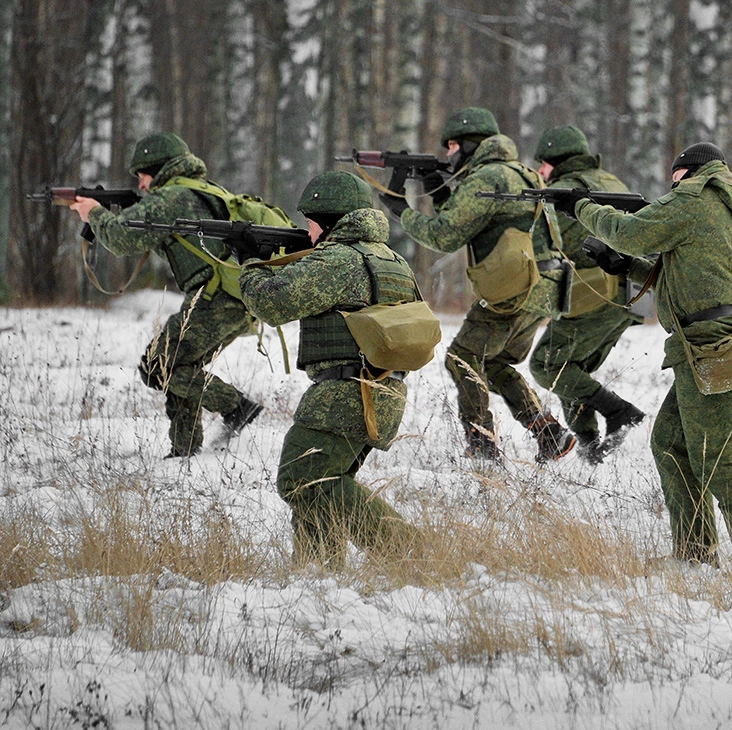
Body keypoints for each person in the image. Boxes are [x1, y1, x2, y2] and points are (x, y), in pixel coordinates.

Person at [564, 142, 732, 569]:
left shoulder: (696, 197)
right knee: (670, 443)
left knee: (719, 455)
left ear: (687, 172)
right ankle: (696, 551)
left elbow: (630, 233)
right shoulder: (724, 205)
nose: (670, 185)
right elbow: (690, 280)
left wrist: (581, 208)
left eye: (673, 177)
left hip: (709, 344)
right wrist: (625, 267)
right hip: (714, 340)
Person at [238, 171, 419, 567]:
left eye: (310, 221)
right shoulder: (390, 259)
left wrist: (249, 261)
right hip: (382, 392)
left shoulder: (338, 260)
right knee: (322, 482)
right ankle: (319, 572)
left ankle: (410, 552)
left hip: (345, 393)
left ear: (328, 219)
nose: (306, 230)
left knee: (301, 478)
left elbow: (272, 304)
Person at [386, 107, 575, 463]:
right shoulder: (522, 173)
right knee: (497, 363)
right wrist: (436, 190)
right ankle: (549, 433)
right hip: (546, 288)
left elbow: (444, 235)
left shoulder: (486, 178)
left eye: (454, 145)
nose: (449, 154)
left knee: (463, 359)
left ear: (473, 145)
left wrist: (402, 211)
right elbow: (470, 219)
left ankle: (482, 445)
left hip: (516, 287)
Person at [69, 132, 262, 457]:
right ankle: (184, 450)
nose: (141, 185)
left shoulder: (173, 197)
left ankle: (237, 406)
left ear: (159, 170)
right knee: (179, 364)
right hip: (234, 294)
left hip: (218, 295)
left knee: (159, 365)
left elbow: (120, 239)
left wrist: (95, 214)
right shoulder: (202, 190)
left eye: (143, 176)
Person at [526, 125, 645, 463]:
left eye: (543, 165)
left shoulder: (562, 190)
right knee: (571, 369)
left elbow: (542, 243)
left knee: (546, 365)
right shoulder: (611, 181)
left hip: (593, 292)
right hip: (630, 293)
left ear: (557, 161)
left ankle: (620, 411)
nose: (540, 172)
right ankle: (590, 448)